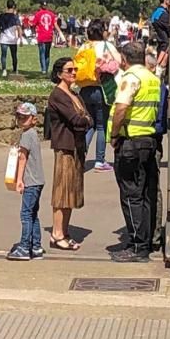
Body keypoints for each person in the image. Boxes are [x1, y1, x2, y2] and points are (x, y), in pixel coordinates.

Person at [108, 41, 162, 263]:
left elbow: (121, 107)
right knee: (146, 194)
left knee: (131, 195)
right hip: (148, 138)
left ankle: (136, 246)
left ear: (124, 58)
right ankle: (146, 241)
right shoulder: (152, 78)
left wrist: (114, 134)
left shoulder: (131, 78)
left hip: (130, 140)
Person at [46, 57, 92, 251]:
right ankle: (57, 234)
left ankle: (64, 232)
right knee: (62, 192)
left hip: (77, 147)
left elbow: (89, 118)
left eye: (75, 69)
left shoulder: (74, 94)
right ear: (59, 74)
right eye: (69, 70)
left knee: (72, 193)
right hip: (65, 147)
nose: (74, 72)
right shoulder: (58, 95)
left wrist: (85, 119)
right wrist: (84, 120)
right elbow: (76, 120)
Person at [76, 19, 121, 172]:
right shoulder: (106, 46)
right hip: (101, 89)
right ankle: (99, 161)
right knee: (101, 126)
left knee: (89, 124)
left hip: (84, 89)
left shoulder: (83, 46)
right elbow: (119, 61)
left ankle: (80, 157)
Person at [6, 102, 46, 260]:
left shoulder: (27, 135)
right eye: (19, 117)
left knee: (26, 214)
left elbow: (22, 158)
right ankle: (36, 246)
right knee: (33, 214)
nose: (21, 120)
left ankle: (24, 247)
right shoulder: (33, 134)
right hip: (38, 180)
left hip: (31, 180)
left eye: (25, 117)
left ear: (34, 119)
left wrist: (19, 180)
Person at [32, 1, 62, 74]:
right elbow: (55, 24)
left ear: (40, 6)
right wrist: (60, 32)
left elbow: (33, 25)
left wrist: (33, 32)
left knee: (42, 53)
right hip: (49, 35)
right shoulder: (51, 14)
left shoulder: (38, 14)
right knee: (47, 53)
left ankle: (43, 69)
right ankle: (47, 68)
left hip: (41, 36)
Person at [0, 0, 21, 77]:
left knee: (3, 55)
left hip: (4, 37)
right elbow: (18, 27)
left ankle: (4, 70)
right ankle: (14, 69)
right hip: (13, 38)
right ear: (13, 6)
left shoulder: (2, 16)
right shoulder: (15, 17)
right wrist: (20, 38)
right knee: (14, 55)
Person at [151, 0, 170, 76]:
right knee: (166, 43)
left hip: (160, 41)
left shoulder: (157, 12)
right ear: (166, 0)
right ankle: (159, 65)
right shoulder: (163, 14)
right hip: (164, 44)